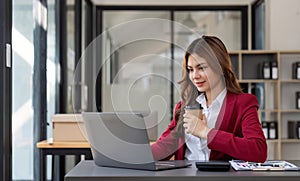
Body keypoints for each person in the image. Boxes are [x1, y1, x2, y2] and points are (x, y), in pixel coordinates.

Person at [151, 35, 267, 163]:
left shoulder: (243, 104)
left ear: (220, 67)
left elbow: (258, 151)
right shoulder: (184, 107)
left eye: (201, 68)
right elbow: (164, 146)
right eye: (190, 70)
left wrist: (205, 132)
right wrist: (133, 155)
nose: (195, 76)